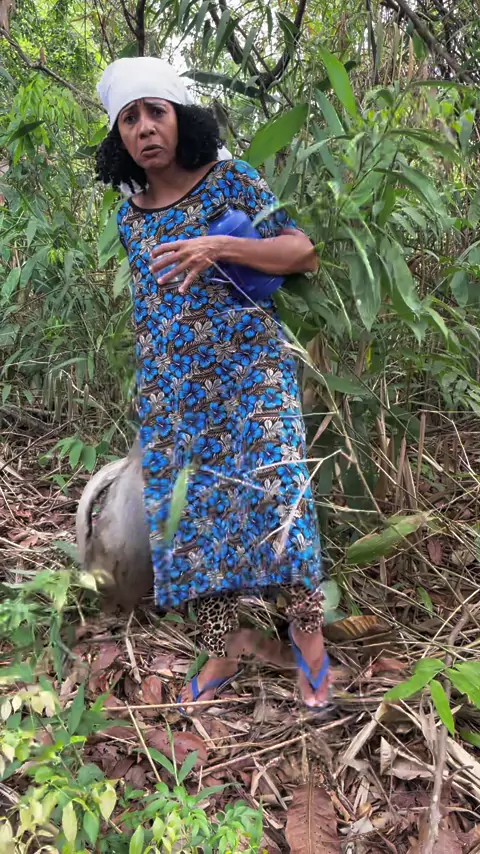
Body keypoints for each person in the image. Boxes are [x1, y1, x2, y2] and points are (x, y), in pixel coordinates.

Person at [96, 56, 332, 712]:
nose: (145, 128)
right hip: (174, 392)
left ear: (181, 119)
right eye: (129, 119)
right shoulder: (130, 218)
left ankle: (308, 637)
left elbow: (302, 251)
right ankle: (222, 649)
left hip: (252, 375)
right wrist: (152, 387)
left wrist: (218, 247)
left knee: (281, 497)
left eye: (156, 112)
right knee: (196, 519)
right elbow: (151, 307)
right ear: (119, 138)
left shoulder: (231, 181)